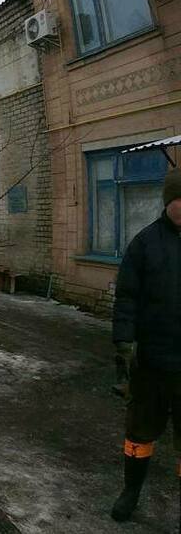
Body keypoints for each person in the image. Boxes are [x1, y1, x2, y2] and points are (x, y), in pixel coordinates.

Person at [110, 168, 181, 523]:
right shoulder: (145, 244)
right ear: (168, 201)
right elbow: (127, 297)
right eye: (180, 199)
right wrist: (124, 343)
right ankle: (131, 491)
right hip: (151, 362)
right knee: (139, 431)